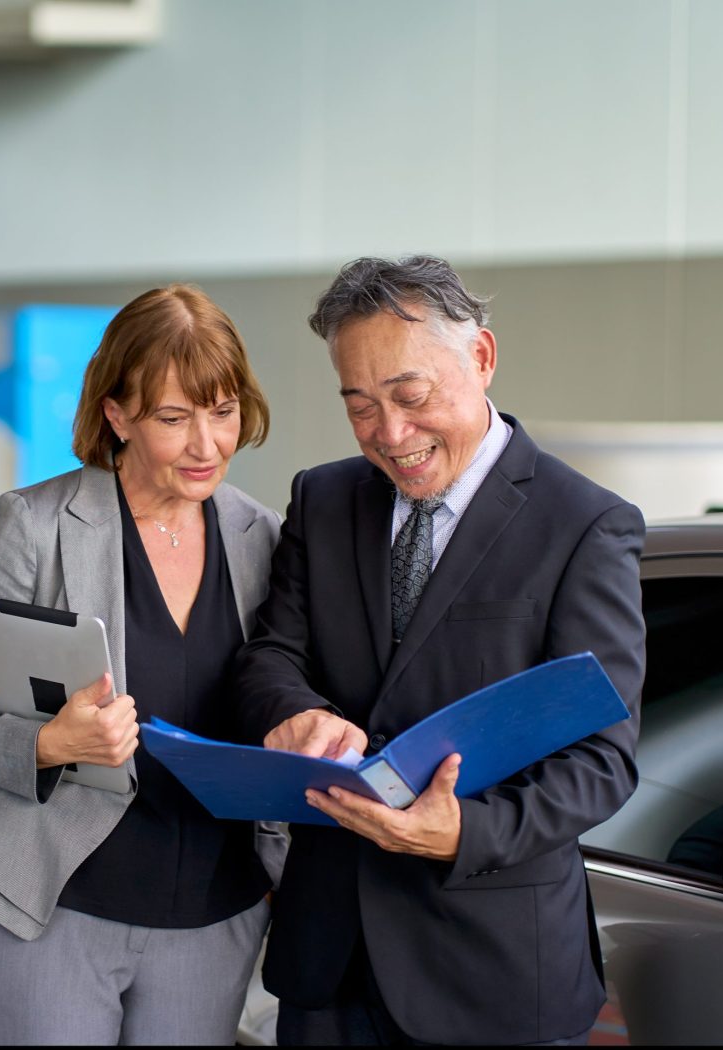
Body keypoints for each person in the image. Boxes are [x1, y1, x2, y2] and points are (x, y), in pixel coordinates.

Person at [235, 255, 646, 1046]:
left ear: (482, 358)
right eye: (359, 406)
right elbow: (269, 658)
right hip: (330, 963)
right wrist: (296, 714)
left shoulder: (584, 526)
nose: (390, 434)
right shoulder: (323, 500)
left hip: (490, 973)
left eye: (411, 396)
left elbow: (602, 760)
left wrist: (463, 833)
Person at [0, 283, 285, 1046]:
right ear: (118, 414)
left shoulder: (266, 540)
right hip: (54, 913)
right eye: (175, 419)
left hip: (214, 925)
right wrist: (48, 745)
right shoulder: (36, 527)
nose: (207, 445)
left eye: (223, 412)